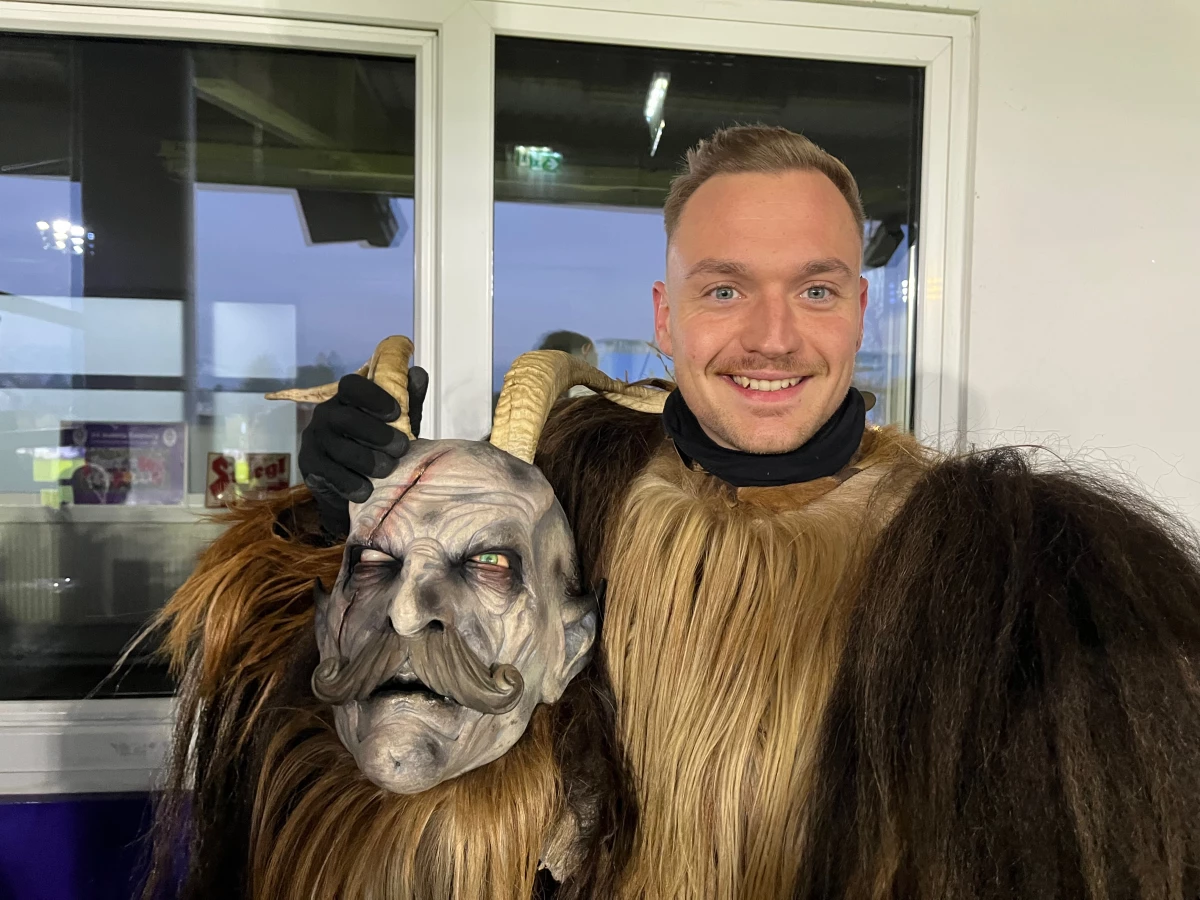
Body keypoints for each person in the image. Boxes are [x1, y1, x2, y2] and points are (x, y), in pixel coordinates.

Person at [164, 125, 1200, 900]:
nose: (771, 338)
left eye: (817, 290)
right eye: (723, 292)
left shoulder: (978, 554)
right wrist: (329, 531)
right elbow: (352, 735)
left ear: (861, 310)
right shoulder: (571, 489)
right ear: (665, 317)